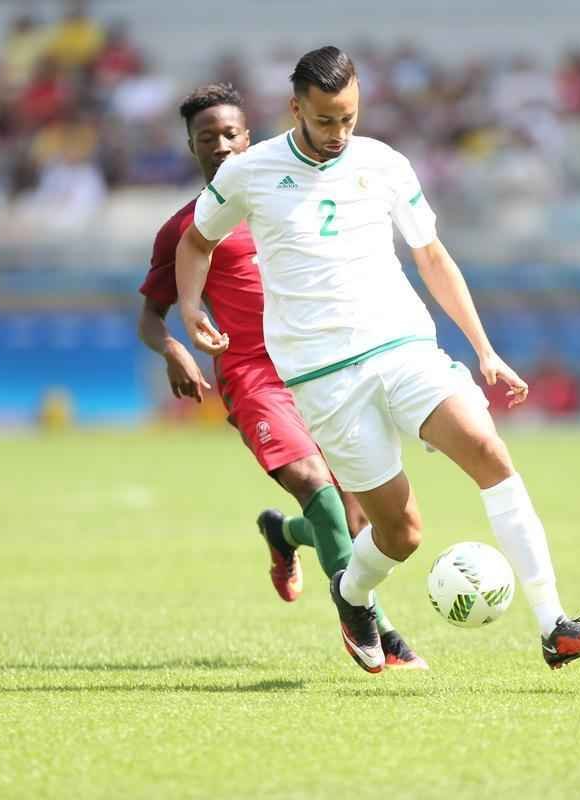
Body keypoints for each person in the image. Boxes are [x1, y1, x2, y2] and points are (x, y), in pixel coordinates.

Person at [176, 46, 580, 673]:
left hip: (404, 348)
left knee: (491, 455)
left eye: (350, 118)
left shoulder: (383, 164)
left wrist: (484, 350)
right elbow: (197, 241)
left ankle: (555, 625)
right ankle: (352, 593)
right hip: (324, 378)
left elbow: (432, 257)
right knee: (400, 534)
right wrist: (192, 307)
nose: (339, 133)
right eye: (326, 119)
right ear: (296, 107)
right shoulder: (252, 172)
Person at [138, 83, 426, 670]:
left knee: (353, 516)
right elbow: (150, 314)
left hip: (320, 365)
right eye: (206, 137)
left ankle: (286, 535)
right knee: (312, 480)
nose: (221, 145)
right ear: (191, 147)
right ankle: (373, 624)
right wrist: (173, 349)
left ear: (251, 136)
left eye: (230, 133)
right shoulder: (187, 227)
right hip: (251, 374)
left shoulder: (294, 196)